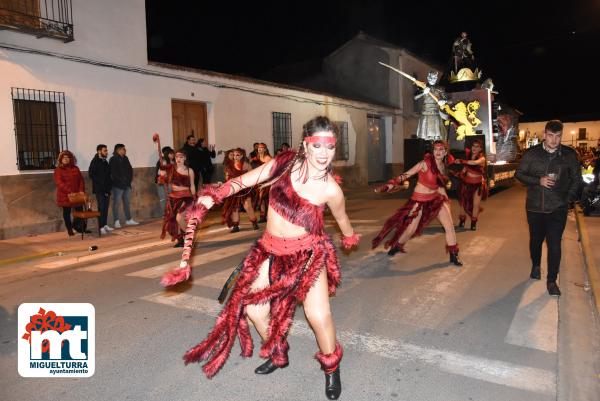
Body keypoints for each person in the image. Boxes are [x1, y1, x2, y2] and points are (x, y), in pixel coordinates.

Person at [184, 116, 358, 400]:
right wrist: (212, 196)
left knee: (318, 315)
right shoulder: (285, 163)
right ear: (306, 144)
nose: (324, 153)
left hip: (307, 255)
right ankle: (279, 352)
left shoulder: (330, 189)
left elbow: (342, 219)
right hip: (268, 250)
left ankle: (331, 367)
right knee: (254, 311)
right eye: (318, 146)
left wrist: (349, 236)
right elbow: (243, 180)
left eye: (331, 147)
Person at [515, 120, 582, 296]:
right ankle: (536, 265)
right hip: (535, 207)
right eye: (550, 136)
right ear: (544, 135)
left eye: (558, 136)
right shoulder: (532, 154)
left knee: (554, 245)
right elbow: (519, 174)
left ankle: (552, 280)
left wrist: (567, 200)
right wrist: (539, 181)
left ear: (561, 136)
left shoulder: (569, 155)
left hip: (557, 208)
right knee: (535, 242)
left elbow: (577, 180)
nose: (554, 140)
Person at [372, 140, 463, 266]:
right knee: (410, 230)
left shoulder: (443, 167)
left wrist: (446, 201)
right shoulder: (425, 163)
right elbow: (406, 174)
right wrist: (392, 183)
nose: (438, 152)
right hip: (419, 200)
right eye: (436, 149)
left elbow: (440, 187)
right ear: (432, 151)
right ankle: (398, 245)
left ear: (445, 152)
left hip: (436, 199)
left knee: (449, 226)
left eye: (441, 149)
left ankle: (454, 255)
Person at [159, 150, 196, 247]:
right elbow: (163, 180)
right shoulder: (171, 169)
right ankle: (181, 240)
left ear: (185, 158)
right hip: (174, 197)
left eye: (181, 157)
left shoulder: (190, 170)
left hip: (186, 197)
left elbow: (192, 186)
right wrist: (162, 174)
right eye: (176, 157)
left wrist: (194, 198)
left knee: (179, 218)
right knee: (173, 220)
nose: (178, 159)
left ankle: (190, 236)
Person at [222, 148, 259, 232]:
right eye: (234, 155)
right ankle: (236, 226)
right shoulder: (229, 165)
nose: (235, 157)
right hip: (234, 190)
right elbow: (227, 177)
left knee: (247, 206)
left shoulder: (246, 165)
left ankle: (254, 222)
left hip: (245, 189)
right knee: (235, 207)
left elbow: (252, 176)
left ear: (242, 156)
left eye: (237, 155)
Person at [455, 139, 488, 230]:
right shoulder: (468, 157)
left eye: (477, 146)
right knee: (463, 203)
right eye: (473, 146)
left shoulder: (482, 158)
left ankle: (473, 223)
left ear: (480, 149)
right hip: (466, 184)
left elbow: (474, 163)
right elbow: (465, 169)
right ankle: (462, 220)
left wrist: (461, 161)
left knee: (475, 204)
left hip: (478, 185)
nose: (474, 148)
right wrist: (460, 174)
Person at [53, 150, 87, 236]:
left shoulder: (75, 168)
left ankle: (79, 228)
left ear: (70, 159)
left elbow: (81, 180)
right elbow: (59, 183)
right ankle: (69, 230)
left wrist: (81, 190)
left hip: (77, 195)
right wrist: (70, 192)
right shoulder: (58, 170)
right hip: (65, 195)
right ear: (60, 159)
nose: (66, 159)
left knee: (79, 212)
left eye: (67, 157)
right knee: (67, 213)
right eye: (64, 158)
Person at [109, 143, 138, 228]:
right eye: (123, 149)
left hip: (127, 184)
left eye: (124, 149)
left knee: (127, 202)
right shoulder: (113, 159)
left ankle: (128, 219)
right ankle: (116, 221)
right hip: (118, 185)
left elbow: (130, 169)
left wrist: (129, 180)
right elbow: (113, 173)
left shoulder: (125, 158)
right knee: (116, 203)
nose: (125, 151)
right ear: (118, 150)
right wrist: (121, 180)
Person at [414, 71, 448, 141]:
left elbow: (446, 99)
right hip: (425, 112)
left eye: (435, 77)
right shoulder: (423, 87)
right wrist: (423, 92)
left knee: (437, 135)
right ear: (428, 77)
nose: (433, 79)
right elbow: (415, 97)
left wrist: (443, 101)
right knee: (424, 135)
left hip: (435, 112)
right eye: (431, 77)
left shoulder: (440, 88)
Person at [88, 144, 113, 235]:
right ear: (99, 151)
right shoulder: (95, 161)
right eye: (105, 150)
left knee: (106, 207)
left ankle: (105, 224)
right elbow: (91, 174)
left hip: (106, 189)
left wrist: (109, 185)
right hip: (99, 189)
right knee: (101, 207)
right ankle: (101, 227)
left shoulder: (105, 162)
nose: (106, 152)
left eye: (106, 150)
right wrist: (101, 183)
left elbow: (109, 175)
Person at [252, 143, 273, 223]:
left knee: (267, 199)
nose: (259, 149)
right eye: (258, 148)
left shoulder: (268, 158)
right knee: (261, 199)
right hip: (259, 180)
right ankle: (262, 216)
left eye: (261, 148)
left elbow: (272, 169)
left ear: (265, 149)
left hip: (267, 181)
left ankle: (269, 216)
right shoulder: (255, 158)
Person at [155, 146, 175, 212]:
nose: (173, 155)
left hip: (169, 182)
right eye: (171, 154)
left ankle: (170, 212)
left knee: (170, 197)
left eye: (173, 154)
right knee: (163, 198)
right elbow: (159, 172)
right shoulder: (163, 161)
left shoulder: (172, 161)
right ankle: (165, 213)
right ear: (167, 153)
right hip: (162, 182)